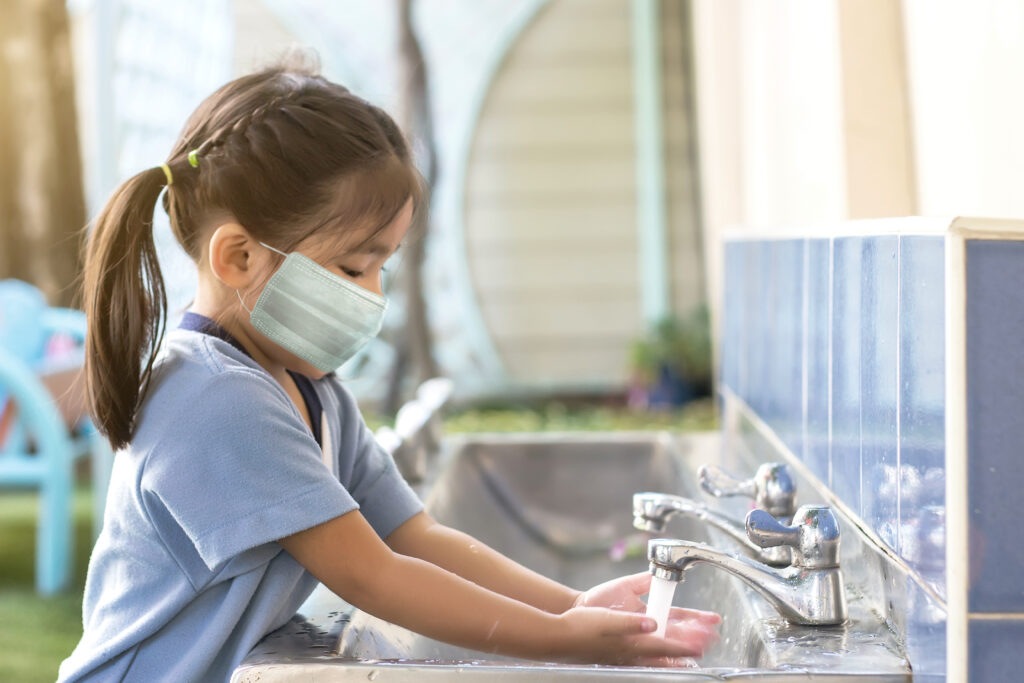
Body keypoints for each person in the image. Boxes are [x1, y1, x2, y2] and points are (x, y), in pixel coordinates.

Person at [58, 56, 720, 682]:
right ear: (238, 258)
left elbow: (417, 536)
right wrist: (564, 638)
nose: (372, 293)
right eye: (352, 267)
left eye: (383, 265)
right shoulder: (216, 396)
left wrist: (570, 606)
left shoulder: (315, 393)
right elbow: (373, 575)